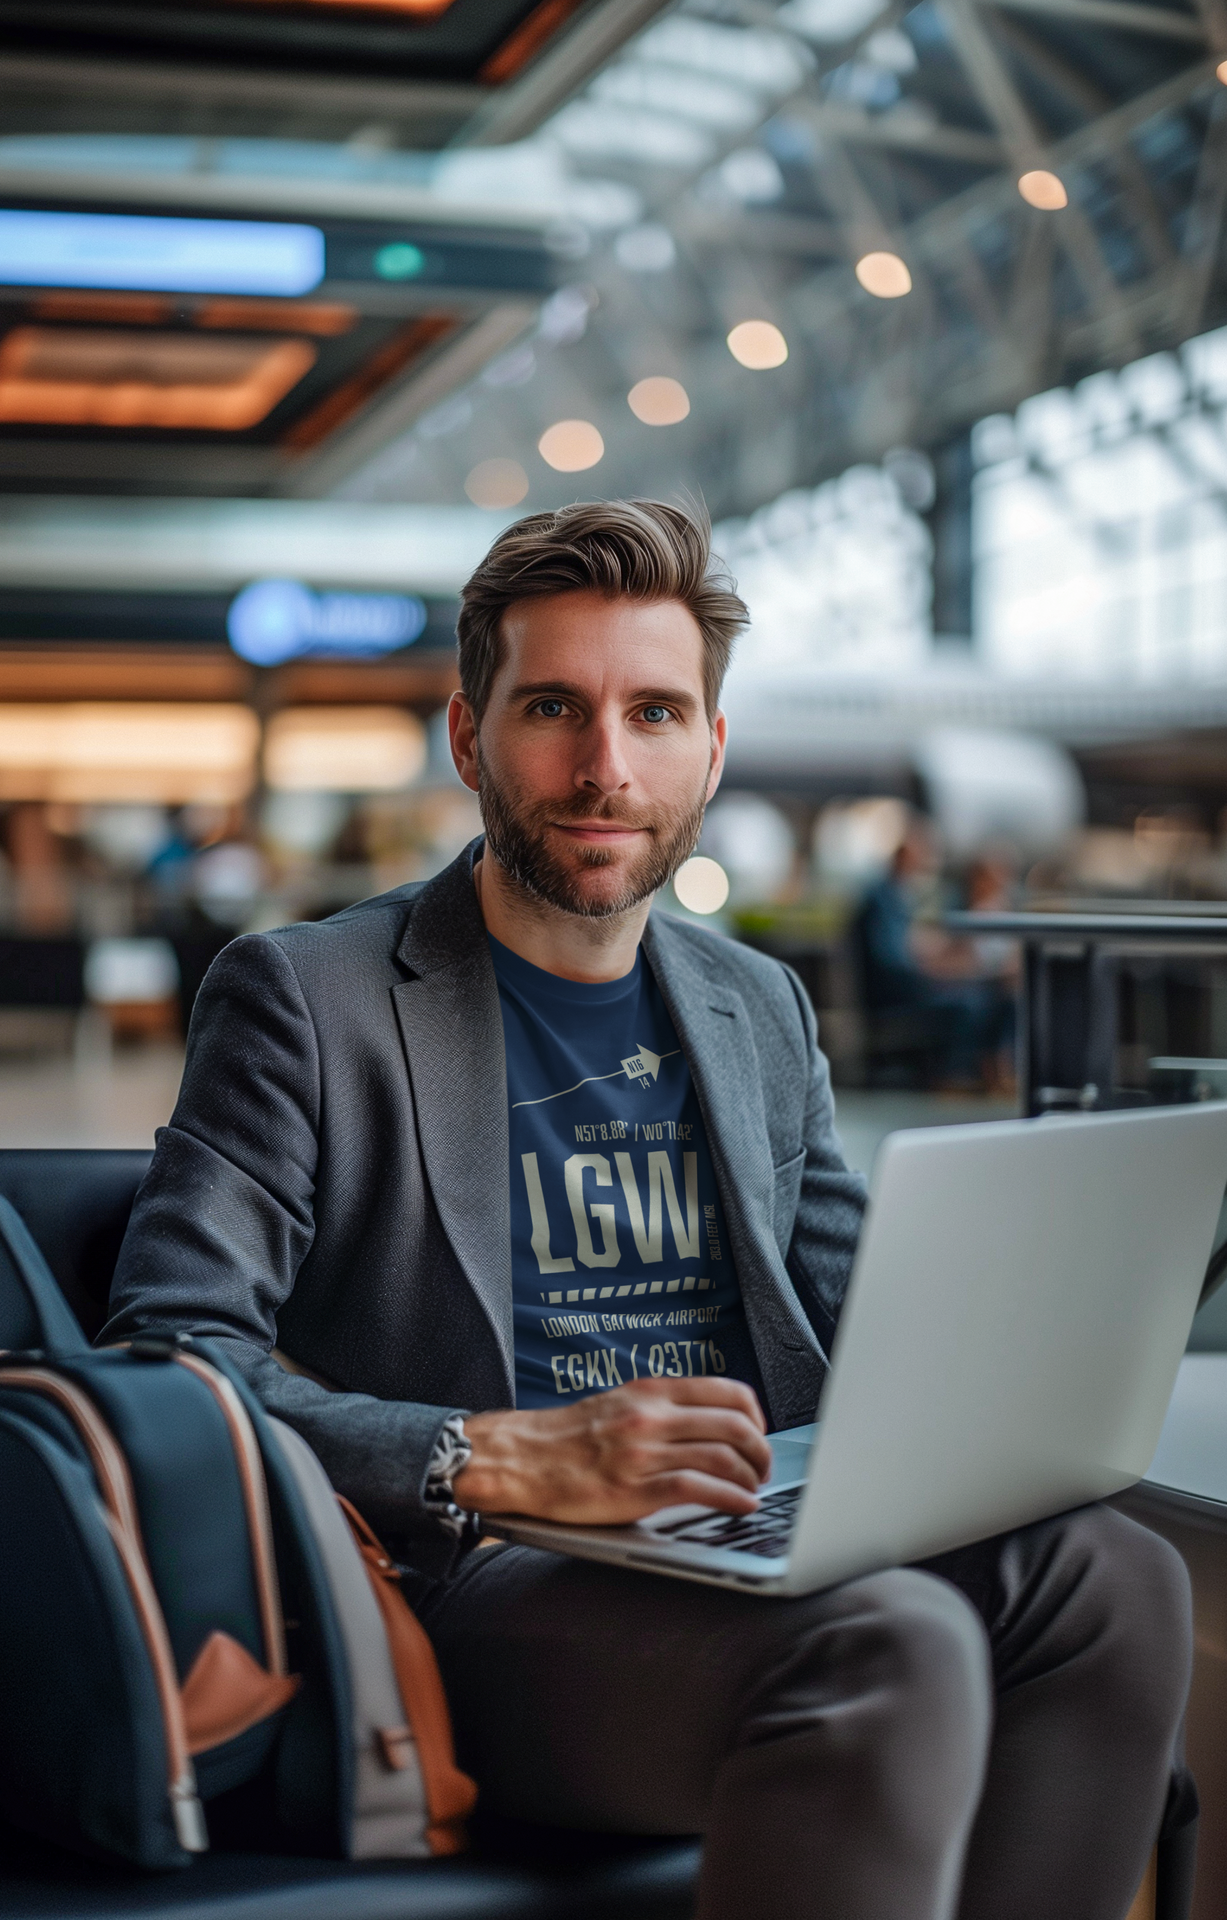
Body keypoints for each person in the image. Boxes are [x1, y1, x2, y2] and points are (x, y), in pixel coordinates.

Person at [103, 501, 1190, 1920]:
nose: (606, 767)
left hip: (744, 1531)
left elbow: (874, 1317)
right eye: (553, 706)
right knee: (893, 1643)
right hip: (473, 1582)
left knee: (1117, 1580)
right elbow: (164, 1357)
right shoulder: (309, 1000)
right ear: (468, 736)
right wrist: (488, 1458)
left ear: (711, 749)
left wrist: (1046, 1337)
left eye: (656, 713)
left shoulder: (753, 1003)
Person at [854, 817, 1016, 1089]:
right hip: (895, 995)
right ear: (904, 855)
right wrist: (932, 971)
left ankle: (989, 1074)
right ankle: (956, 1076)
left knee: (993, 998)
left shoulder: (898, 896)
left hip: (907, 984)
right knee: (970, 1002)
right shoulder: (882, 898)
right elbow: (895, 963)